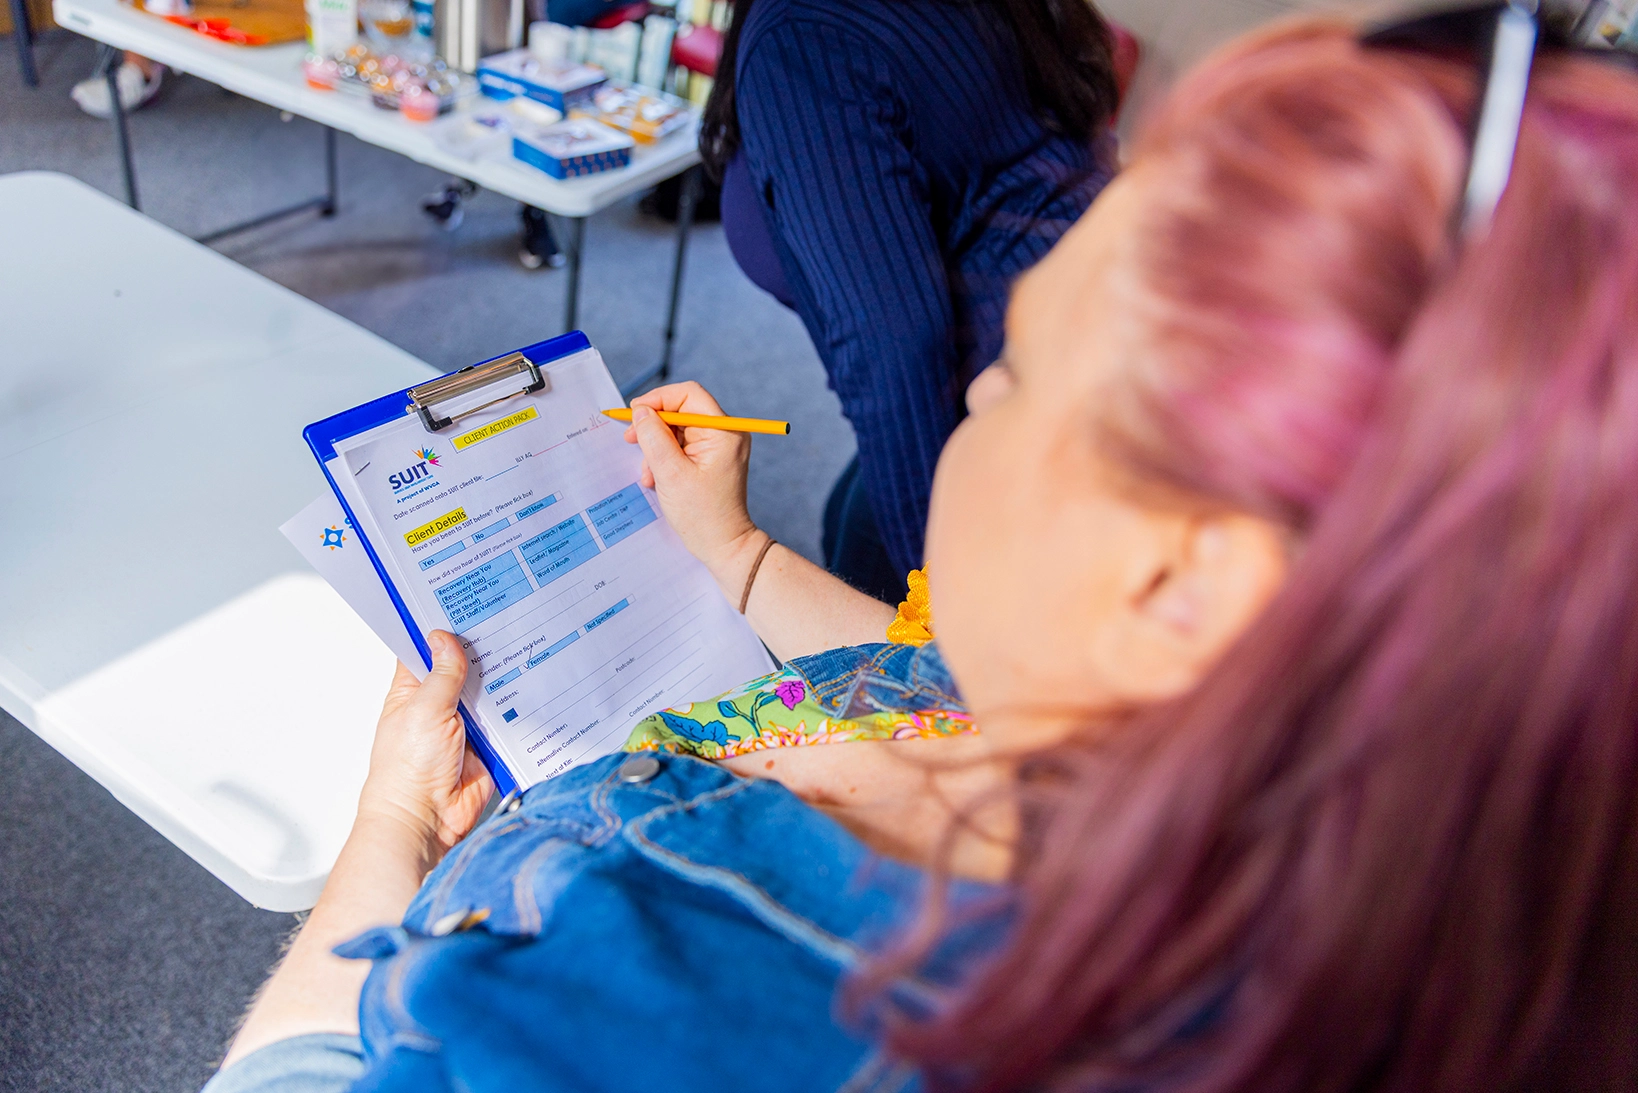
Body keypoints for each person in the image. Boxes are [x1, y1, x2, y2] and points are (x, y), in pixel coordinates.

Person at [203, 15, 1638, 1092]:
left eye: (1014, 376)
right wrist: (738, 551)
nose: (970, 392)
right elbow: (926, 675)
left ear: (1177, 592)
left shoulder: (639, 977)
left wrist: (386, 833)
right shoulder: (1318, 835)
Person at [703, 0, 1122, 602]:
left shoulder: (804, 36)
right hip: (1079, 304)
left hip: (1027, 372)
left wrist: (936, 596)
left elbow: (892, 350)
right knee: (845, 520)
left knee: (877, 578)